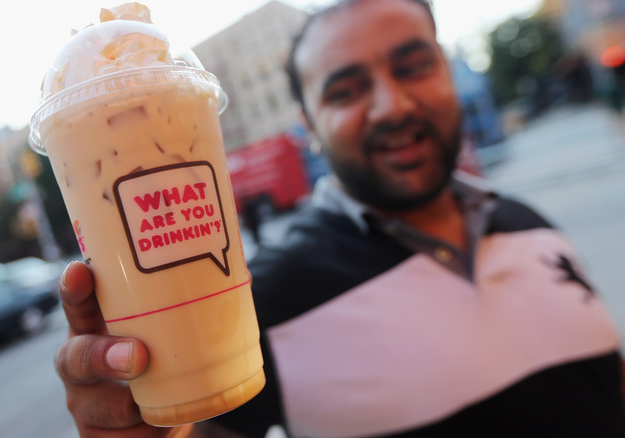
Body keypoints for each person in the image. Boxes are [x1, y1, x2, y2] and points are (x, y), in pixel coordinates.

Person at [54, 0, 625, 436]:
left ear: (449, 75)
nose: (392, 105)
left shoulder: (531, 222)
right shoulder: (267, 299)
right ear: (308, 125)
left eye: (413, 66)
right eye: (346, 89)